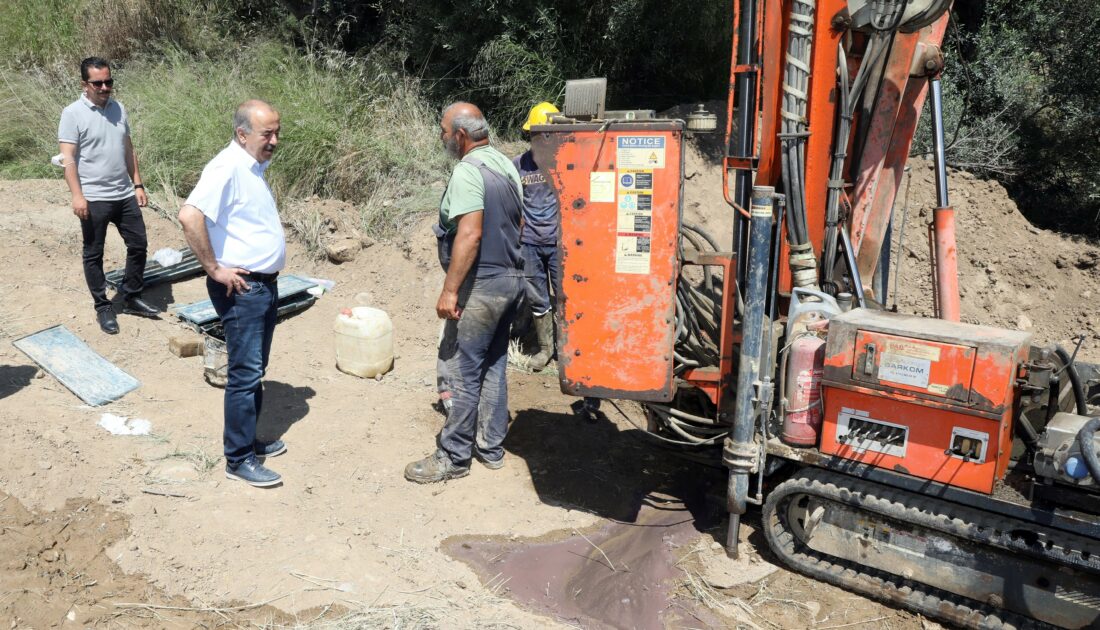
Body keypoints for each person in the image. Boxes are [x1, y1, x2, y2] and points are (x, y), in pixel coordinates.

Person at [405, 102, 526, 484]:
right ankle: (490, 447)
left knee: (464, 368)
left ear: (460, 135)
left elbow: (470, 233)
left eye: (443, 132)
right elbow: (519, 225)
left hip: (483, 284)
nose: (442, 138)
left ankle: (453, 456)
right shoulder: (506, 165)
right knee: (494, 363)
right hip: (512, 279)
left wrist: (450, 290)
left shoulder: (467, 171)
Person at [178, 100, 288, 488]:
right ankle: (238, 459)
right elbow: (189, 216)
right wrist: (214, 268)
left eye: (277, 132)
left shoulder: (251, 166)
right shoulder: (226, 168)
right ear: (242, 135)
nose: (275, 140)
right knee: (244, 374)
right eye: (266, 134)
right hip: (242, 288)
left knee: (254, 370)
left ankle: (249, 441)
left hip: (262, 286)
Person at [58, 56, 160, 334]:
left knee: (138, 244)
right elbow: (68, 158)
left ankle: (131, 296)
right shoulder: (72, 113)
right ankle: (103, 307)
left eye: (109, 81)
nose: (104, 87)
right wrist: (77, 196)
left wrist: (137, 184)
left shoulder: (119, 108)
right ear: (84, 84)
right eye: (98, 83)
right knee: (94, 253)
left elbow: (128, 148)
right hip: (94, 197)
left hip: (123, 194)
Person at [513, 102, 561, 369]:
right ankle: (545, 349)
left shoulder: (565, 163)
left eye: (545, 135)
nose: (540, 140)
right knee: (537, 296)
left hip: (559, 244)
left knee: (566, 296)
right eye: (535, 134)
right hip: (529, 243)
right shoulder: (518, 165)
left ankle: (568, 349)